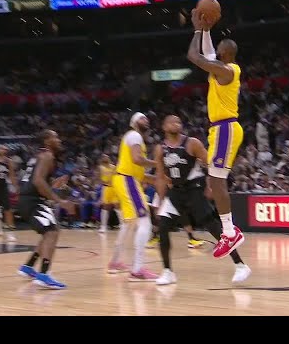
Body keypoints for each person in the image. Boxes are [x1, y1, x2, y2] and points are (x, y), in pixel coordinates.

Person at [153, 115, 251, 285]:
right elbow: (160, 176)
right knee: (163, 227)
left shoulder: (192, 143)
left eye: (178, 122)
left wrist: (210, 185)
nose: (175, 124)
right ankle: (167, 272)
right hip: (175, 192)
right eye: (171, 122)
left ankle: (240, 265)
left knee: (213, 227)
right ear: (164, 126)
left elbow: (211, 165)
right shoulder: (160, 149)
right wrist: (160, 201)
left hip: (194, 189)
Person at [187, 9, 245, 259]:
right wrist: (207, 31)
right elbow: (208, 54)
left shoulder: (227, 70)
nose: (216, 49)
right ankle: (230, 231)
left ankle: (230, 233)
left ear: (226, 53)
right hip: (220, 129)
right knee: (214, 180)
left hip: (225, 128)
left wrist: (197, 29)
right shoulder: (221, 68)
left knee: (217, 180)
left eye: (219, 47)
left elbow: (194, 56)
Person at [17, 130, 75, 289]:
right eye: (55, 137)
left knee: (48, 232)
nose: (59, 140)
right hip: (33, 201)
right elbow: (38, 181)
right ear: (47, 141)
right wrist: (60, 201)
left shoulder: (38, 156)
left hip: (27, 200)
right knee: (52, 232)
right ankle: (43, 275)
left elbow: (37, 181)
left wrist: (54, 184)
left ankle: (28, 266)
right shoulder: (47, 156)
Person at [107, 112, 159, 281]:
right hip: (127, 180)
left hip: (126, 180)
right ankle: (137, 269)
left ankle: (115, 262)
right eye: (142, 118)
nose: (146, 120)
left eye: (147, 119)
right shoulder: (134, 135)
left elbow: (142, 175)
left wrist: (160, 179)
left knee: (128, 224)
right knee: (145, 221)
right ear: (134, 122)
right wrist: (158, 163)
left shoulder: (136, 140)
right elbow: (137, 159)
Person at [0, 145, 18, 242]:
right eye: (1, 148)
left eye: (5, 149)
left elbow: (12, 176)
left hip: (4, 188)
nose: (4, 150)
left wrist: (16, 187)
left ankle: (11, 234)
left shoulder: (9, 161)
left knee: (8, 210)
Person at [97, 154, 118, 233]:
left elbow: (116, 177)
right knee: (105, 207)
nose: (105, 158)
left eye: (107, 157)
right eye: (103, 157)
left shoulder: (114, 167)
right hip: (105, 188)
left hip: (114, 188)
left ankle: (123, 224)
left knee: (117, 205)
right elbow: (99, 178)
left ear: (109, 158)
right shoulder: (100, 167)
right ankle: (103, 226)